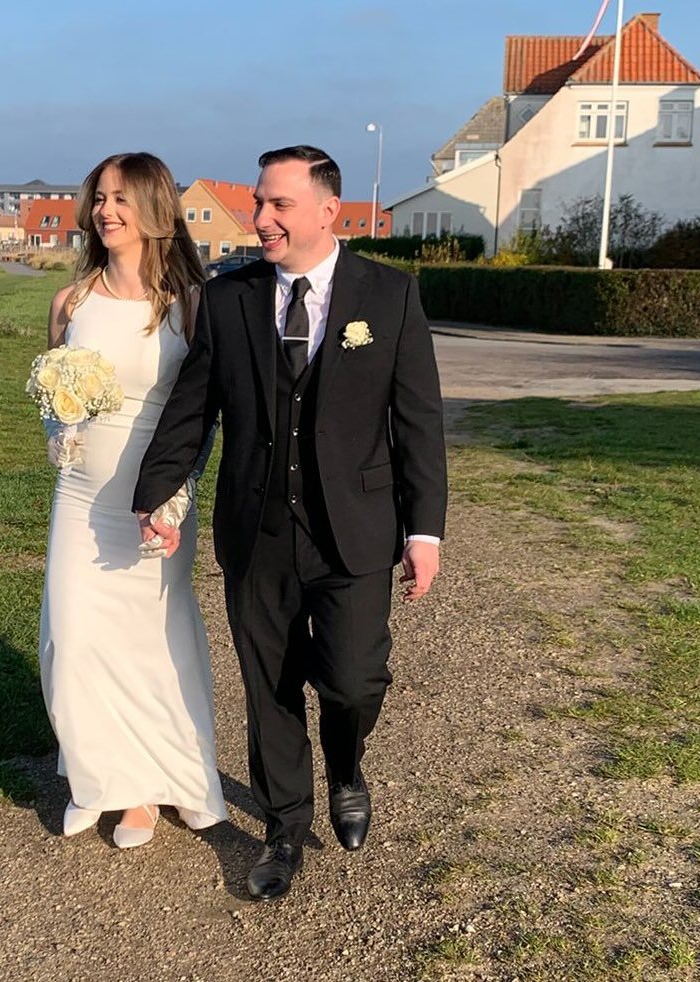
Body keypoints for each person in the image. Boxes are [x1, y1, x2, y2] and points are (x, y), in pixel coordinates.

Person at [134, 146, 446, 898]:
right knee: (268, 684)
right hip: (259, 529)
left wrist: (424, 531)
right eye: (259, 204)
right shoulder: (229, 299)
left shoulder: (390, 295)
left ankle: (347, 766)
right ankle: (283, 828)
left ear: (327, 211)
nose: (261, 218)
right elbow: (191, 410)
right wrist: (156, 493)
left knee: (354, 678)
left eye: (278, 204)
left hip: (355, 531)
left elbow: (418, 422)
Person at [39, 152, 227, 849]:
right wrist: (60, 430)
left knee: (152, 638)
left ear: (154, 207)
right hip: (81, 493)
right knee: (75, 638)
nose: (105, 211)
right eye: (99, 198)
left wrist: (172, 502)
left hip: (157, 494)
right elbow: (52, 400)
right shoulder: (70, 303)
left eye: (120, 198)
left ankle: (159, 783)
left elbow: (201, 414)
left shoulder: (190, 305)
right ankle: (101, 779)